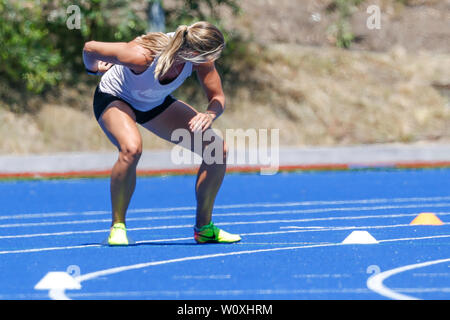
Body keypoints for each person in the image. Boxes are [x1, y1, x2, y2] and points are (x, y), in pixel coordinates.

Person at [82, 21, 241, 246]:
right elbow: (90, 47)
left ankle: (204, 229)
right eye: (212, 55)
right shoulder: (142, 55)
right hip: (115, 97)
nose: (212, 61)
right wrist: (94, 69)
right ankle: (118, 226)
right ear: (195, 52)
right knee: (131, 149)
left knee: (215, 150)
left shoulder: (199, 60)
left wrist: (210, 115)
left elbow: (218, 98)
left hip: (153, 103)